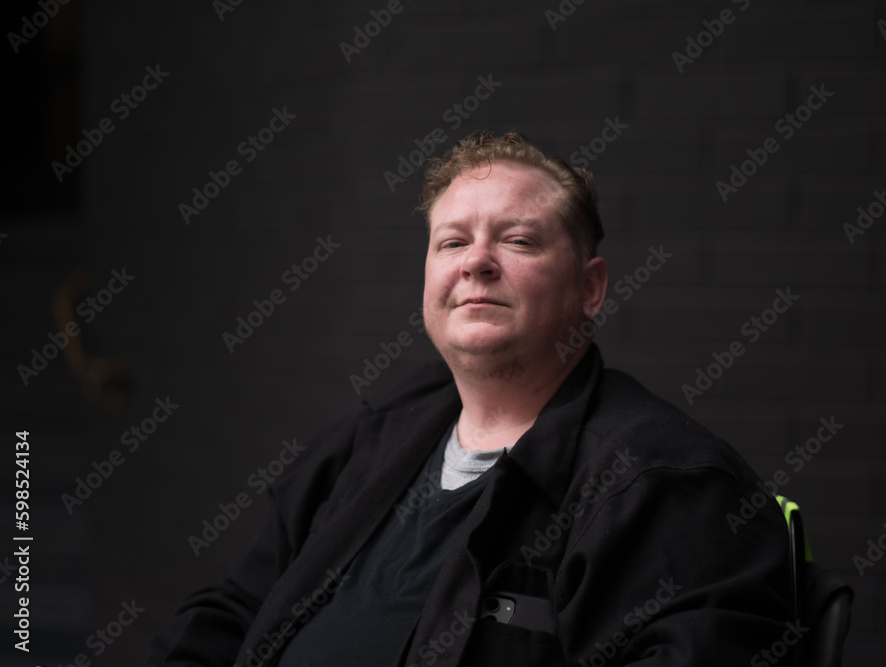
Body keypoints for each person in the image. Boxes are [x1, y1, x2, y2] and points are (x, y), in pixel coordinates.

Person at [147, 130, 793, 667]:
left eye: (517, 240)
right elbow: (232, 611)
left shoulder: (667, 485)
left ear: (590, 289)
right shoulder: (371, 442)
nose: (475, 262)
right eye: (452, 241)